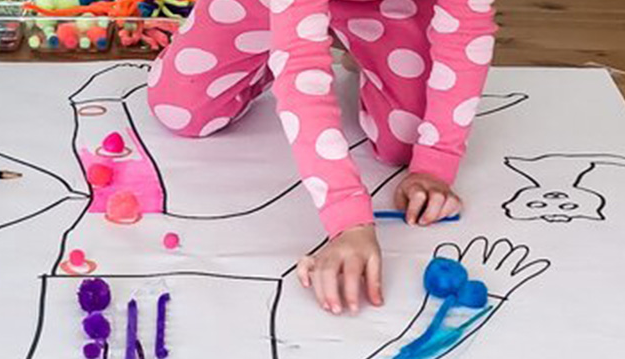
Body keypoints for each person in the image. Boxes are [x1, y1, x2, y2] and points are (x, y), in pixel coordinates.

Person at [147, 0, 497, 314]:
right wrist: (347, 217)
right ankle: (285, 36)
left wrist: (435, 161)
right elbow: (301, 66)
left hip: (383, 7)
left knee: (404, 142)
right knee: (180, 110)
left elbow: (467, 27)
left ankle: (345, 37)